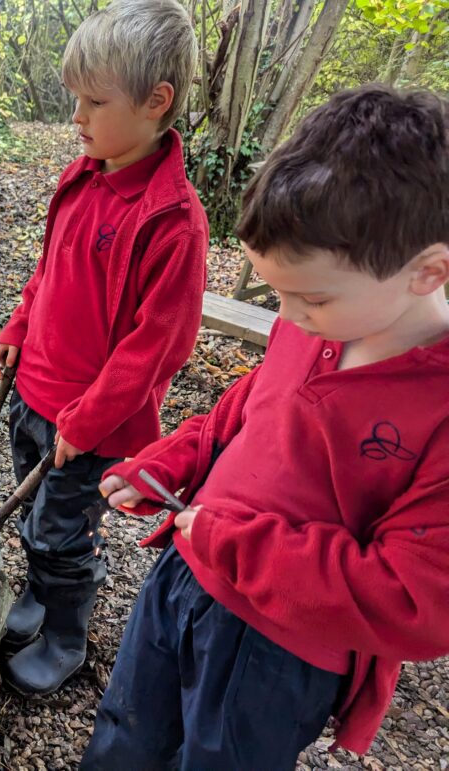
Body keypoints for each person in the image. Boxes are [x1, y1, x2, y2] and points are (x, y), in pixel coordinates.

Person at [81, 84, 449, 769]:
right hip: (183, 575)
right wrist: (173, 460)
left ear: (427, 272)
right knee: (125, 737)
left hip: (277, 651)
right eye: (276, 293)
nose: (287, 317)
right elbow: (248, 409)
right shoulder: (316, 323)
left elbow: (414, 598)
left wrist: (238, 545)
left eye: (308, 297)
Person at [0, 0, 208, 695]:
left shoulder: (171, 222)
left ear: (155, 102)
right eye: (75, 100)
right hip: (35, 395)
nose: (76, 117)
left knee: (65, 530)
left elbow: (157, 349)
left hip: (91, 423)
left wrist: (85, 423)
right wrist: (18, 328)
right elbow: (49, 270)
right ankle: (41, 590)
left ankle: (65, 633)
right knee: (37, 517)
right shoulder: (82, 174)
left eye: (94, 101)